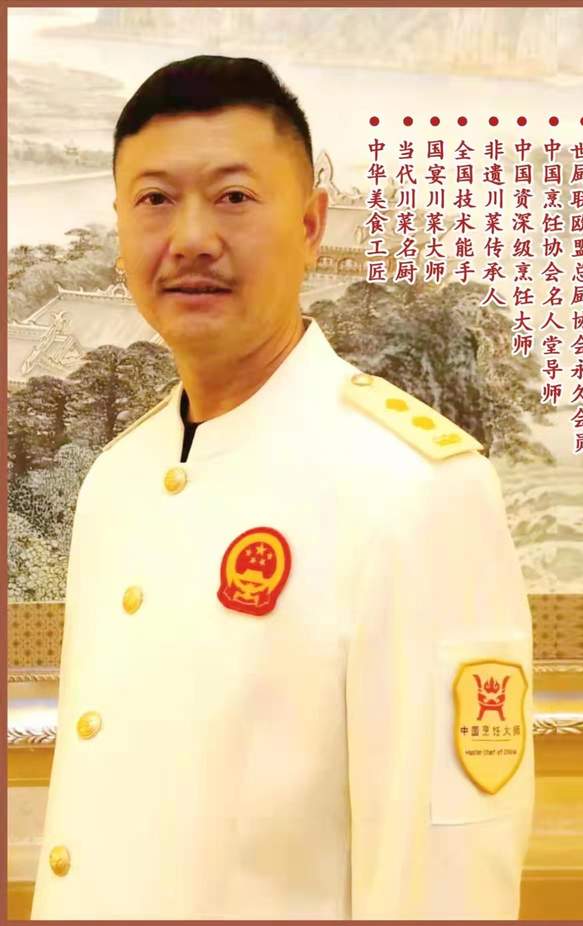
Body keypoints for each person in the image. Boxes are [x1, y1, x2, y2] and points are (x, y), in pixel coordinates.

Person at [31, 55, 535, 920]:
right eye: (155, 200)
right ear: (120, 228)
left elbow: (443, 869)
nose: (192, 237)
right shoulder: (117, 479)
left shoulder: (414, 488)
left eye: (233, 196)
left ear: (309, 225)